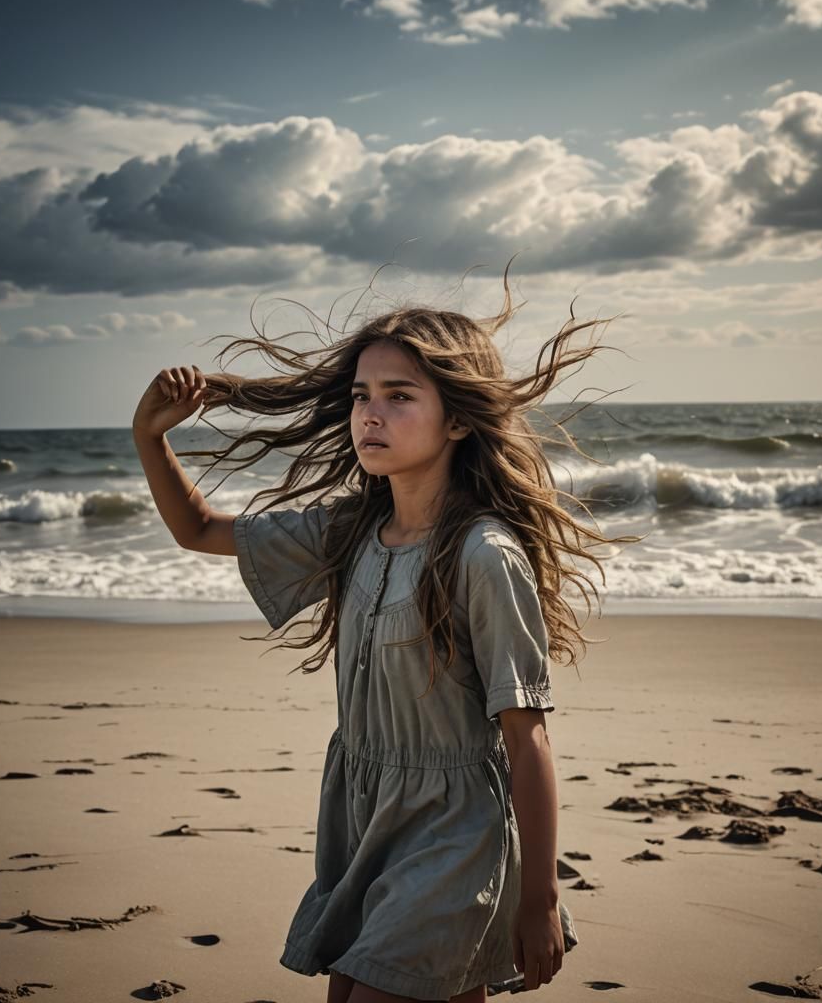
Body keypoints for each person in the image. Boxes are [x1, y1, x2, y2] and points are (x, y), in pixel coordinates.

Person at [132, 260, 636, 1003]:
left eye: (400, 397)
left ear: (458, 417)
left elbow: (526, 737)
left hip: (452, 836)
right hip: (362, 821)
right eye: (362, 396)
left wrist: (539, 898)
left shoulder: (483, 555)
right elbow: (199, 528)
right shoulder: (352, 529)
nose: (370, 414)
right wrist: (149, 436)